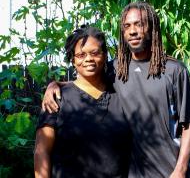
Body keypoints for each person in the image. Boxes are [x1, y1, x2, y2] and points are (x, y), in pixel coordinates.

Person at [42, 1, 190, 178]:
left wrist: (181, 168)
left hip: (169, 171)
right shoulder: (116, 69)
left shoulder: (173, 70)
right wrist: (56, 85)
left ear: (152, 27)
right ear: (122, 32)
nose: (133, 31)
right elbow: (87, 81)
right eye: (127, 26)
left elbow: (189, 122)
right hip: (132, 173)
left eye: (139, 24)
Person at [34, 26, 132, 178]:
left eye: (94, 53)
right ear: (73, 60)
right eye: (81, 55)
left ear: (105, 55)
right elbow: (42, 151)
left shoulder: (121, 95)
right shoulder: (57, 98)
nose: (88, 59)